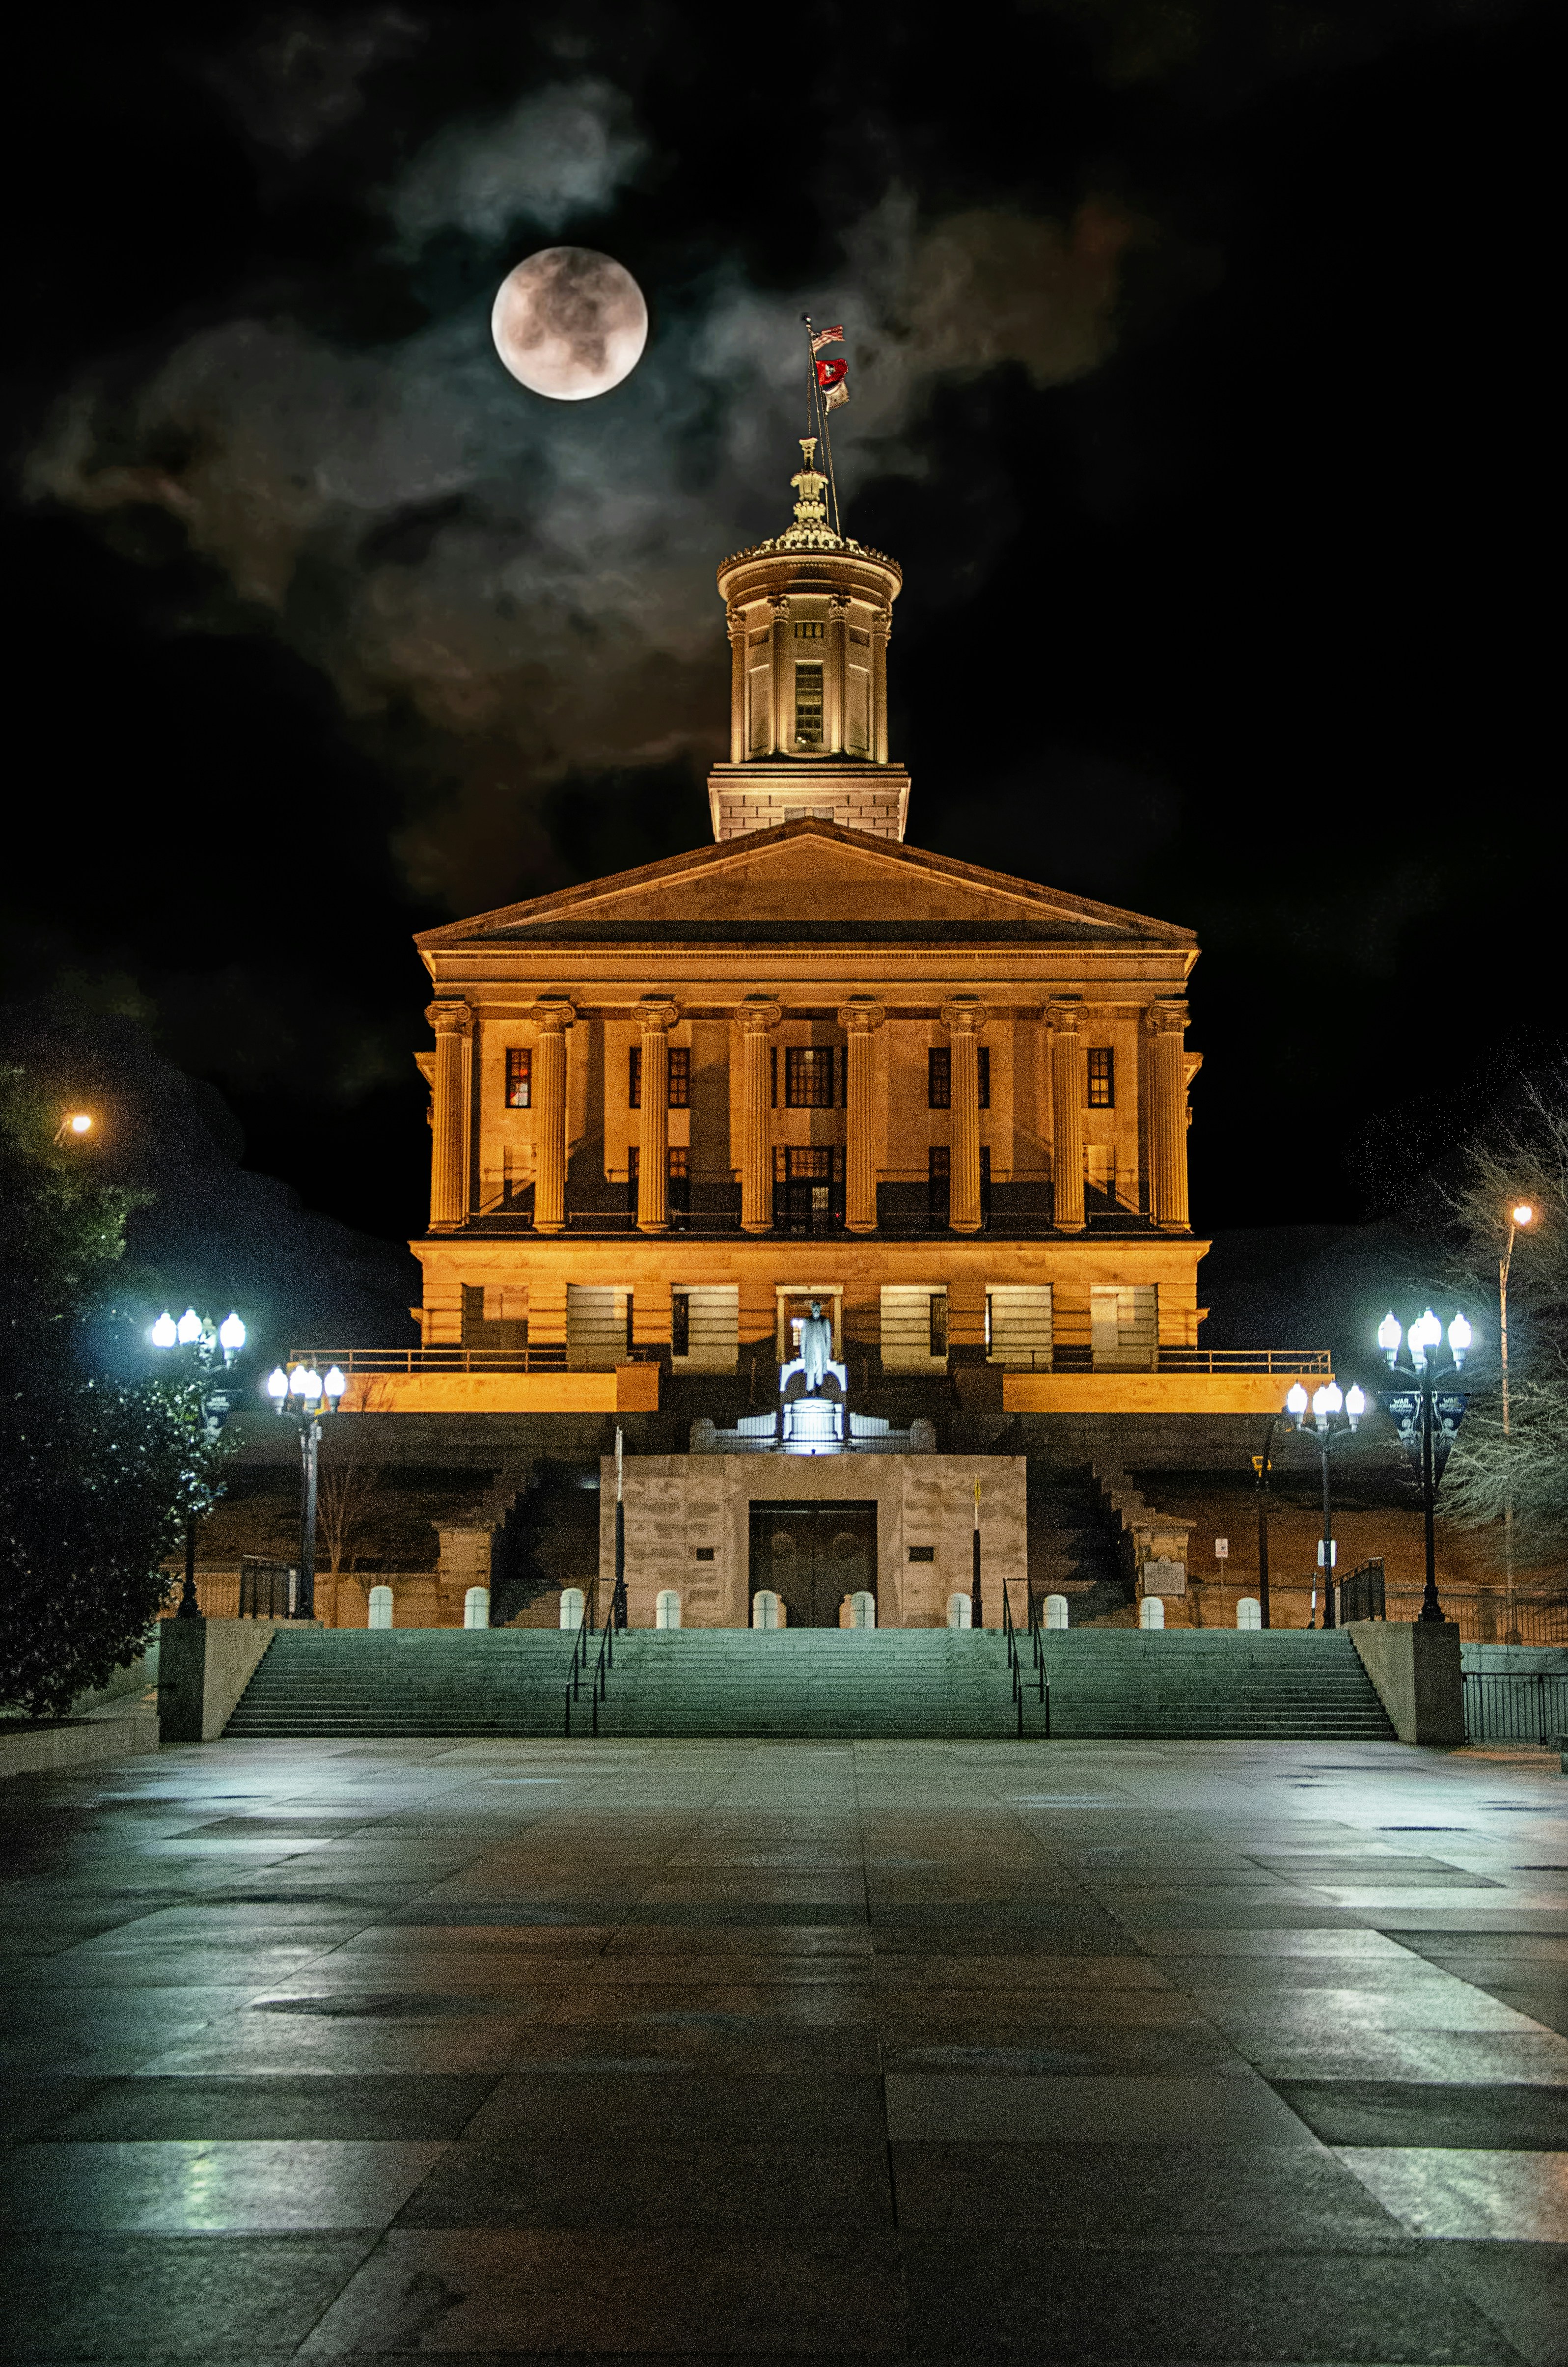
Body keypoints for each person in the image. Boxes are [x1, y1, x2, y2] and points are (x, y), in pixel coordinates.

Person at [799, 1299, 833, 1393]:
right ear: (812, 1309)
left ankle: (819, 1389)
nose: (816, 1309)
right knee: (810, 1370)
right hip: (810, 1349)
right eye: (814, 1308)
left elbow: (828, 1338)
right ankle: (810, 1390)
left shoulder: (825, 1321)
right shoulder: (807, 1321)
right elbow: (803, 1338)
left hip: (821, 1349)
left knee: (820, 1369)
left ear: (820, 1309)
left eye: (818, 1308)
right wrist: (803, 1352)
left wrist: (827, 1353)